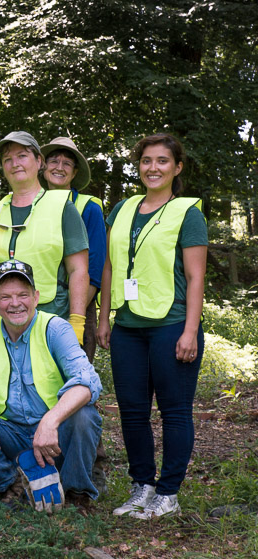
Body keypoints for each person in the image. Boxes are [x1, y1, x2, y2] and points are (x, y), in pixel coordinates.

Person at [97, 133, 206, 519]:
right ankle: (142, 486)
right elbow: (110, 265)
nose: (153, 167)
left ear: (176, 168)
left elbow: (195, 277)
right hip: (128, 325)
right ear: (138, 165)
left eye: (162, 161)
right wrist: (104, 316)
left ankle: (168, 493)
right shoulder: (123, 209)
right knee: (132, 410)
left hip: (172, 324)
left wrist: (190, 330)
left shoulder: (187, 213)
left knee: (174, 411)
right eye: (146, 160)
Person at [0, 260, 103, 507]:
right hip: (10, 434)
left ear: (36, 297)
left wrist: (51, 420)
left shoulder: (56, 328)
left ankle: (75, 494)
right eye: (5, 297)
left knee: (84, 415)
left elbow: (87, 382)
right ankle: (10, 486)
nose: (15, 303)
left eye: (23, 295)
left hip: (54, 436)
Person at [0, 131, 89, 348]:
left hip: (45, 317)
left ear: (39, 161)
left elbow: (78, 270)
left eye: (22, 156)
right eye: (8, 159)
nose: (15, 163)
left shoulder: (63, 209)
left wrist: (77, 321)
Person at [40, 137, 106, 360]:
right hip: (35, 304)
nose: (59, 167)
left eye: (67, 163)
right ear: (42, 166)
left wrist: (73, 315)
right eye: (53, 161)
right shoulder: (31, 202)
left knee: (74, 380)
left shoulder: (88, 207)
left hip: (77, 306)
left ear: (75, 172)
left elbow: (95, 268)